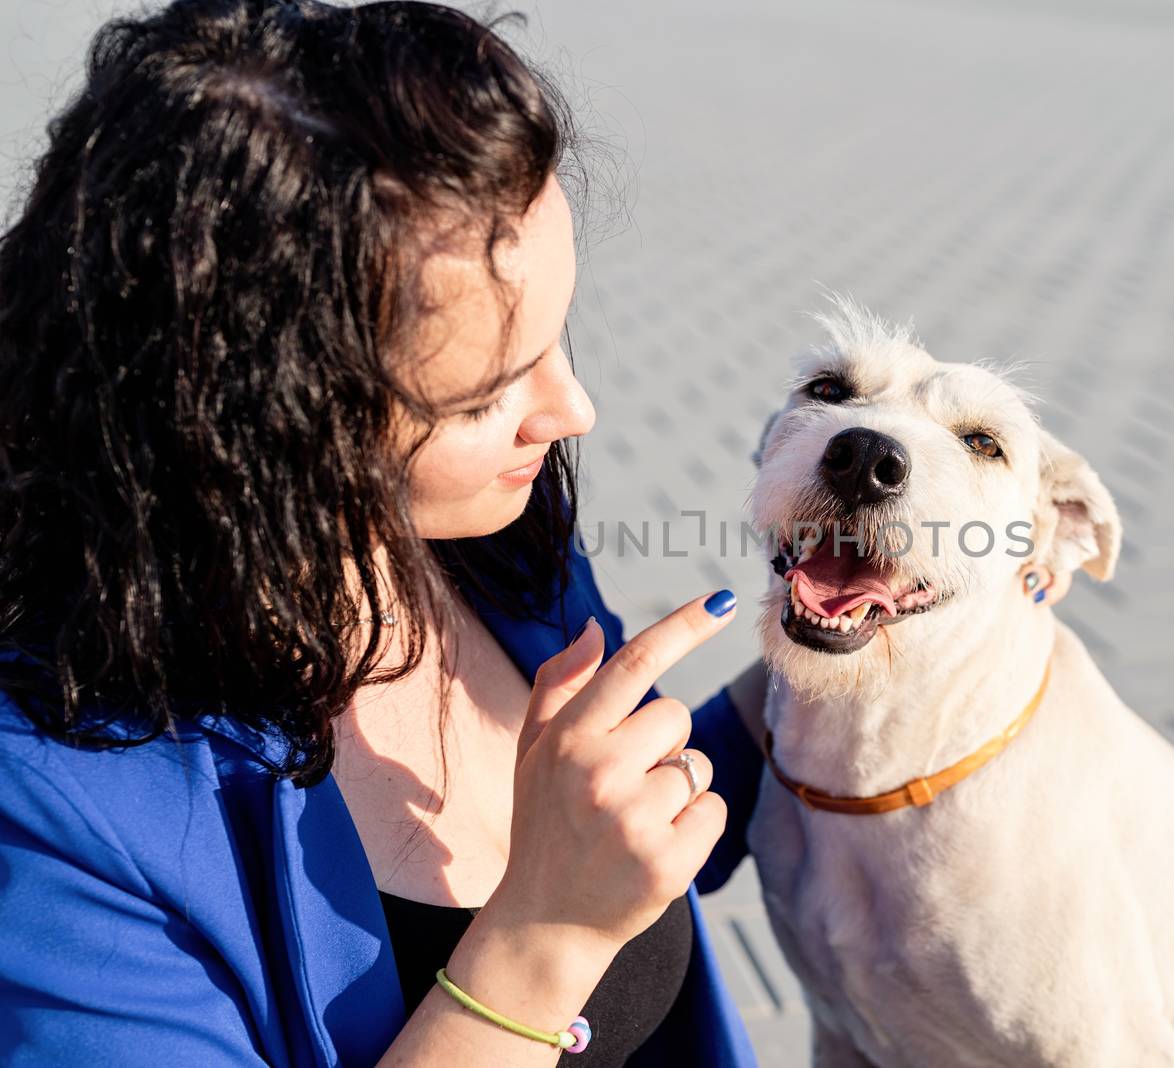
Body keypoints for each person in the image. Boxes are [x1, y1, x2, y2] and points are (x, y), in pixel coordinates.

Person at [0, 1, 769, 1064]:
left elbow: (627, 840)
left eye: (556, 335)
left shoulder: (494, 549)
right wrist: (541, 942)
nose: (573, 411)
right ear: (256, 420)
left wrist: (807, 694)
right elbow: (580, 894)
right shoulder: (55, 810)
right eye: (482, 393)